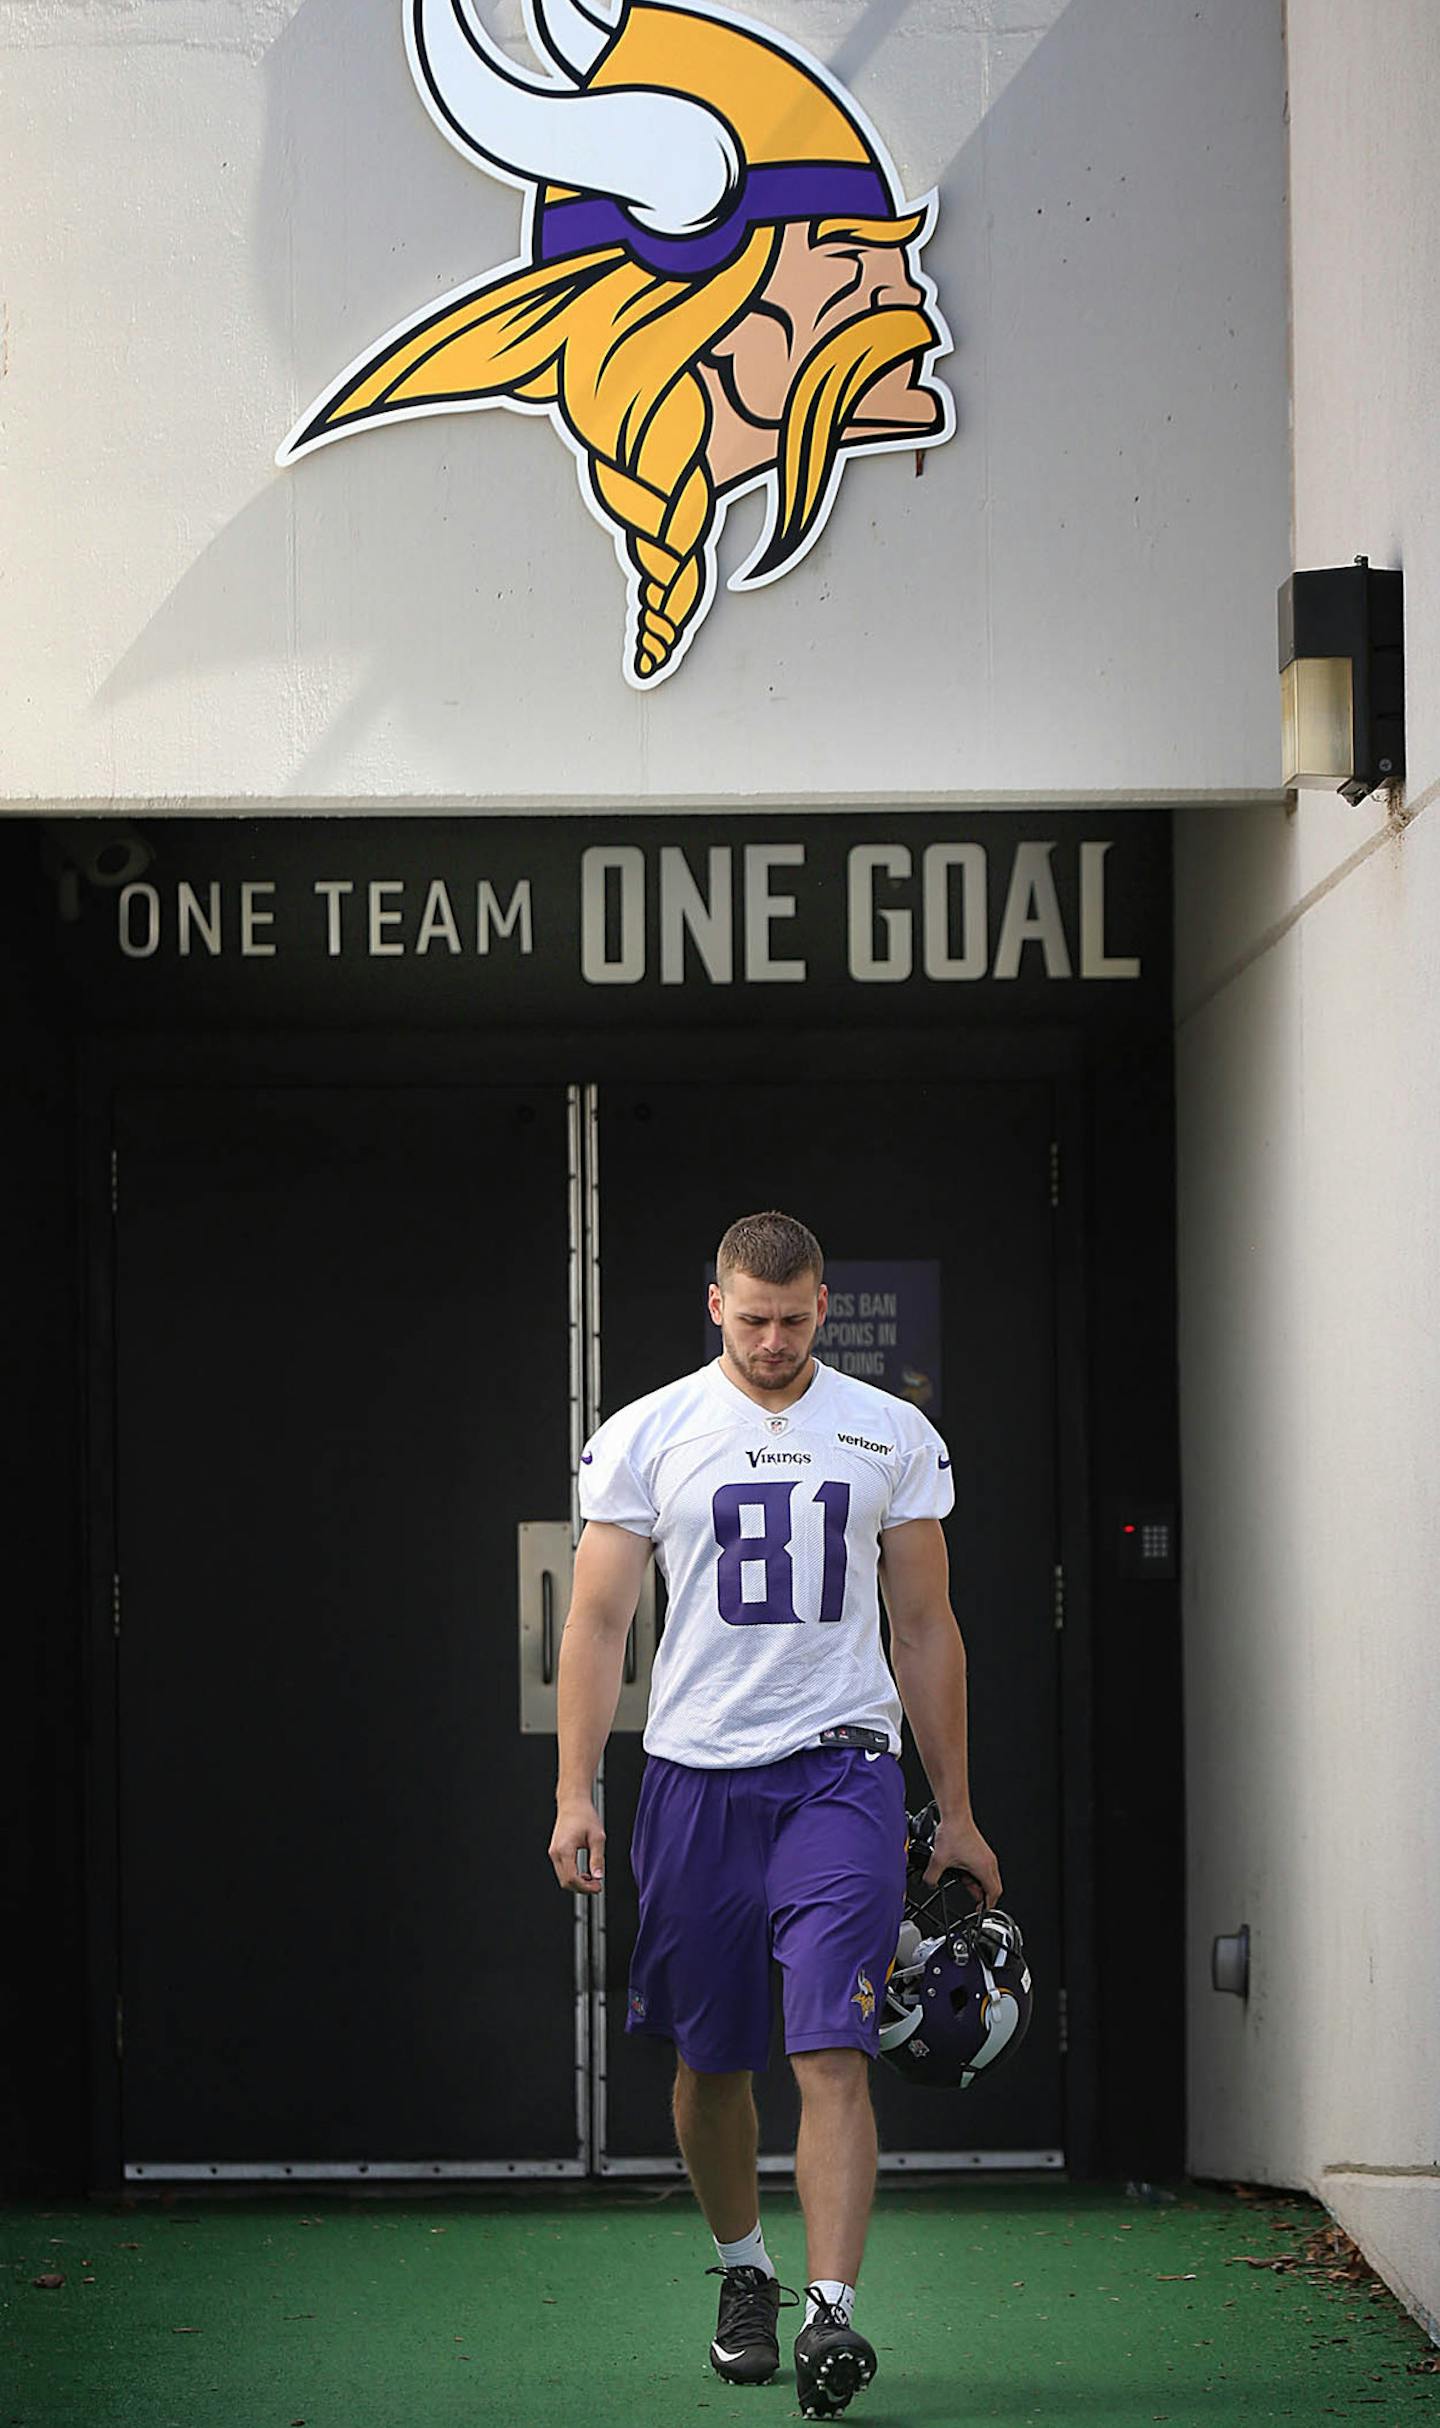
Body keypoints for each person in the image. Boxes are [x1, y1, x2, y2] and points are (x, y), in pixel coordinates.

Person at [548, 1210, 1001, 2419]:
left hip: (842, 1772)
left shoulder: (887, 1429)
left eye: (795, 1319)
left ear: (821, 1303)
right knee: (710, 2061)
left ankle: (831, 2314)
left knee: (830, 2047)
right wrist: (575, 1790)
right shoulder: (649, 1432)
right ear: (715, 1304)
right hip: (695, 1778)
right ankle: (745, 2268)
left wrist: (953, 1809)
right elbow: (596, 1624)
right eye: (752, 1318)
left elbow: (923, 1626)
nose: (773, 1340)